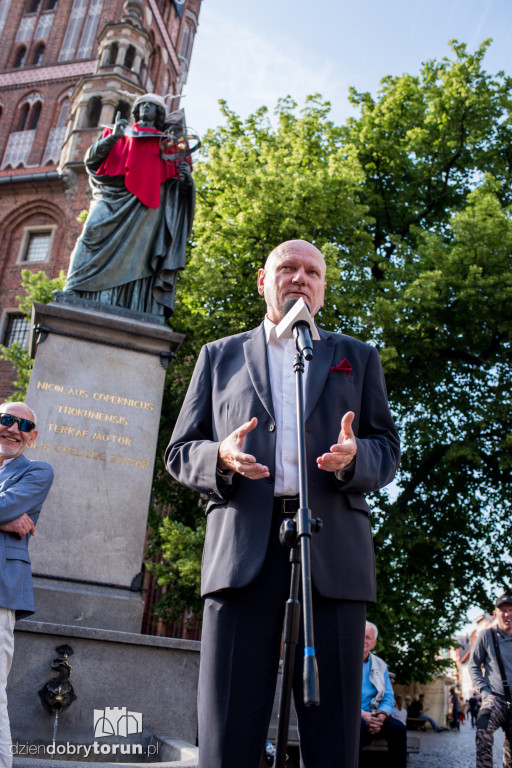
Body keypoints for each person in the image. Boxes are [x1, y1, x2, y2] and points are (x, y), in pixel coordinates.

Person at [166, 240, 400, 768]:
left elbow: (386, 451)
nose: (300, 278)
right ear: (262, 279)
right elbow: (180, 452)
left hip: (332, 550)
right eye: (287, 268)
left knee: (334, 734)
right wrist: (221, 458)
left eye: (312, 271)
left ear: (322, 286)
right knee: (228, 726)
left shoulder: (356, 358)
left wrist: (353, 456)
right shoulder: (220, 355)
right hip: (242, 550)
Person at [63, 93, 195, 319]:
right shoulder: (116, 133)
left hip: (148, 208)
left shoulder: (169, 144)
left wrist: (185, 180)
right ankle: (75, 288)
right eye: (141, 105)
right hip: (112, 196)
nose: (144, 108)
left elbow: (179, 189)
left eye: (151, 106)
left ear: (160, 113)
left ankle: (134, 303)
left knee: (140, 257)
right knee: (90, 235)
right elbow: (91, 161)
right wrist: (113, 138)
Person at [0, 402, 54, 768]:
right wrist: (4, 520)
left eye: (23, 424)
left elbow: (8, 507)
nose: (13, 428)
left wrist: (5, 514)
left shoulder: (37, 471)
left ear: (32, 436)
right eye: (6, 419)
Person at [469, 594, 512, 768]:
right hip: (495, 698)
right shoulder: (487, 636)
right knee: (483, 732)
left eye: (511, 610)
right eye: (503, 611)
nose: (508, 614)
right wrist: (484, 691)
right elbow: (473, 666)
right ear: (495, 613)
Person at [360, 622, 407, 768]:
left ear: (374, 643)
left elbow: (388, 697)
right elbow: (339, 698)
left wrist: (382, 715)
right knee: (358, 728)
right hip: (353, 716)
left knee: (398, 729)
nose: (364, 641)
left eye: (368, 638)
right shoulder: (344, 661)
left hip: (376, 715)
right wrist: (362, 715)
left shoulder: (380, 665)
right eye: (361, 636)